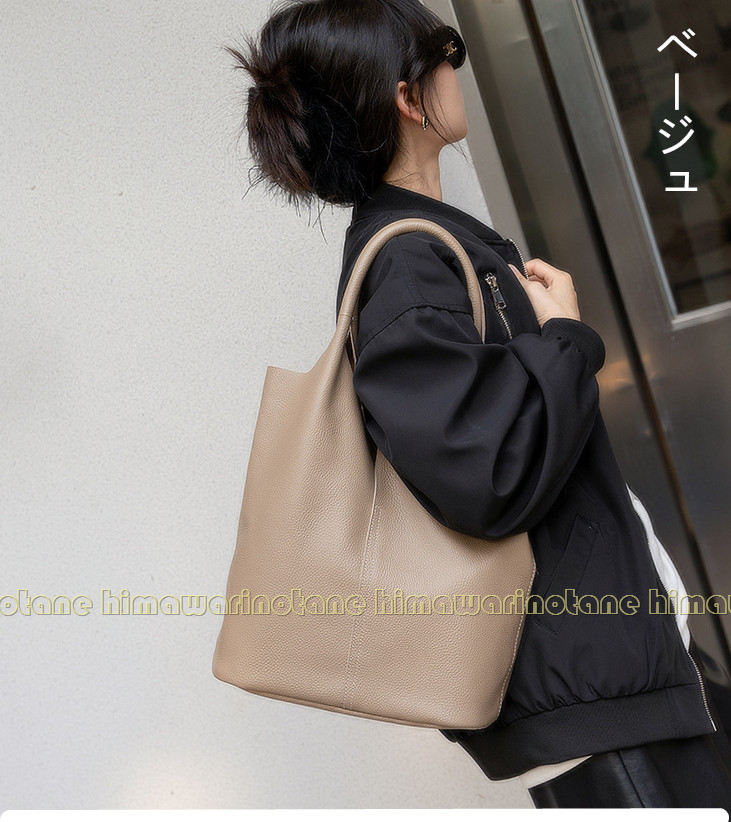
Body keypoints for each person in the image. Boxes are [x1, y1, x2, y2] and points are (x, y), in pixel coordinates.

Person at [224, 0, 731, 808]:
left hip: (615, 677)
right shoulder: (410, 270)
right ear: (405, 94)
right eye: (446, 50)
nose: (456, 67)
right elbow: (488, 478)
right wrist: (565, 339)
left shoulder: (437, 248)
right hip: (592, 705)